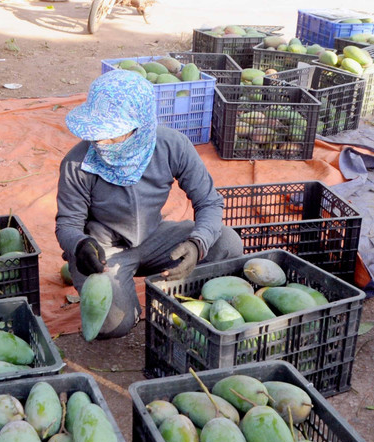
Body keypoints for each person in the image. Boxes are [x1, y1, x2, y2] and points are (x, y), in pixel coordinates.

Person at [56, 68, 243, 339]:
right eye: (97, 133)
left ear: (140, 126)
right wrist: (79, 245)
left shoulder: (171, 145)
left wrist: (196, 244)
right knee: (113, 325)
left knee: (226, 242)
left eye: (113, 133)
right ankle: (113, 289)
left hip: (155, 238)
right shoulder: (77, 162)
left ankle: (183, 299)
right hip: (104, 252)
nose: (101, 142)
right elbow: (67, 223)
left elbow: (209, 202)